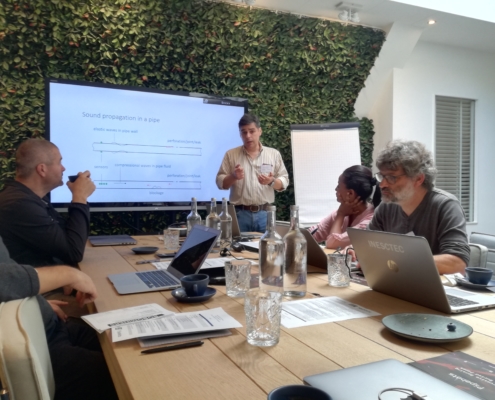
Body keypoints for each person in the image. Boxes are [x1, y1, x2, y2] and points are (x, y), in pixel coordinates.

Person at [0, 236, 118, 400]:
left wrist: (36, 303)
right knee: (123, 372)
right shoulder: (21, 216)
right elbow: (73, 251)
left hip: (48, 323)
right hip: (37, 344)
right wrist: (68, 274)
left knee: (124, 343)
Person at [368, 140, 470, 274]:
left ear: (418, 179)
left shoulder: (445, 205)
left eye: (392, 177)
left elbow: (458, 263)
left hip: (433, 285)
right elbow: (369, 246)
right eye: (382, 176)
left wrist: (400, 261)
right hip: (395, 280)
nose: (382, 184)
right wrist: (355, 250)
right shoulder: (386, 206)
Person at [0, 138, 95, 266]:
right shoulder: (20, 205)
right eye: (59, 162)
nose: (63, 168)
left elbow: (64, 236)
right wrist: (80, 197)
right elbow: (73, 252)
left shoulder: (31, 198)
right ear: (42, 169)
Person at [215, 114, 289, 232]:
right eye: (244, 132)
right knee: (238, 244)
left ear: (260, 131)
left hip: (265, 214)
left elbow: (284, 181)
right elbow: (220, 182)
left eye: (252, 131)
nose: (248, 136)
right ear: (240, 134)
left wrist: (271, 181)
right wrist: (233, 176)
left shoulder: (273, 154)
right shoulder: (231, 154)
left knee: (267, 244)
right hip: (239, 214)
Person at [309, 165, 381, 249]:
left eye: (339, 186)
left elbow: (333, 243)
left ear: (350, 193)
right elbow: (314, 234)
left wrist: (340, 215)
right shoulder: (342, 211)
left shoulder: (371, 220)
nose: (336, 189)